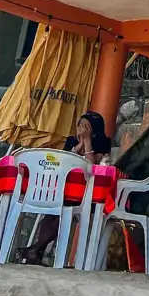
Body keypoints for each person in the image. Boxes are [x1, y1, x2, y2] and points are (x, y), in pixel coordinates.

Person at [18, 111, 111, 265]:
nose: (80, 129)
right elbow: (63, 160)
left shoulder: (102, 143)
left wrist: (87, 141)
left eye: (85, 126)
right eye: (79, 125)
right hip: (61, 191)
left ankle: (35, 249)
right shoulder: (71, 141)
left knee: (63, 210)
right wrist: (78, 145)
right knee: (53, 211)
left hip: (87, 195)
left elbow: (92, 166)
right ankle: (36, 251)